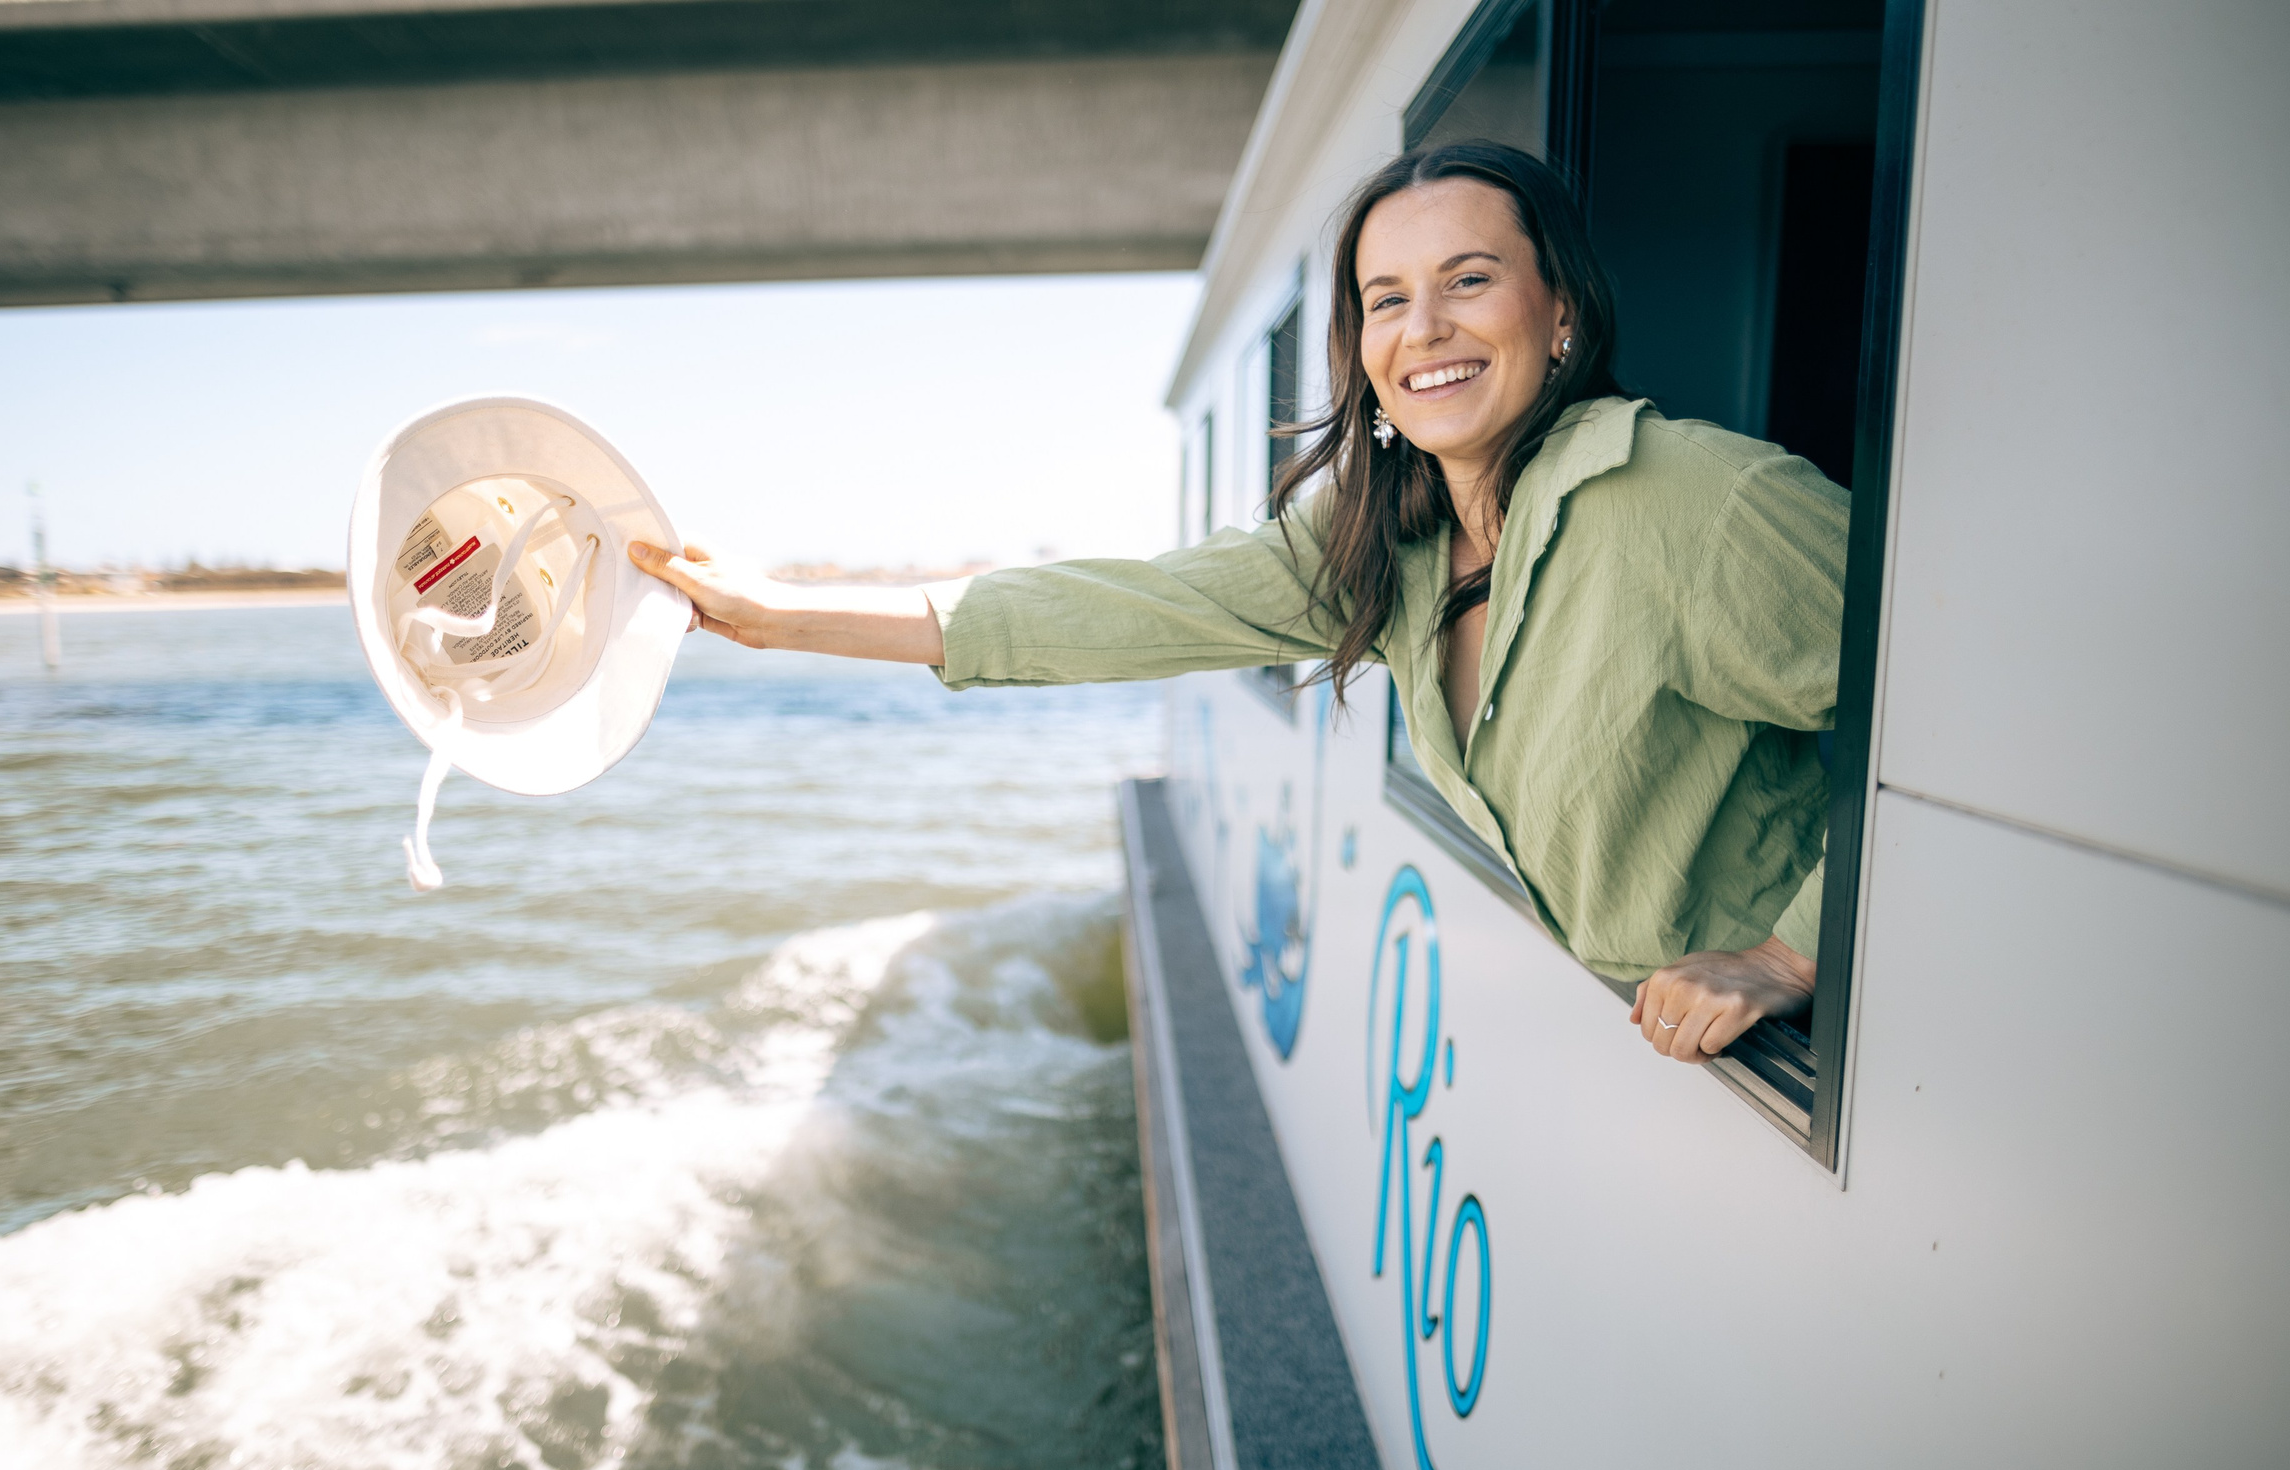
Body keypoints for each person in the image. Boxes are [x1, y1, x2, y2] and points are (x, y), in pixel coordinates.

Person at [629, 142, 1847, 1068]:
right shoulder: (1391, 537)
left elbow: (1959, 709)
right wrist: (778, 615)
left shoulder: (1691, 499)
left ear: (1561, 309)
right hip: (1656, 1071)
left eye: (1469, 280)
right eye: (1385, 298)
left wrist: (1788, 952)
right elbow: (1126, 609)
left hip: (1843, 1057)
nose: (1425, 328)